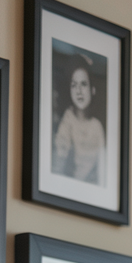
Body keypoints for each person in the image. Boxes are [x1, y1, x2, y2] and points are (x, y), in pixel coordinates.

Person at [52, 58, 106, 186]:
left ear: (92, 90)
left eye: (83, 84)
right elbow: (59, 162)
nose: (79, 91)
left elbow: (103, 171)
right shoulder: (67, 120)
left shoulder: (97, 126)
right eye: (74, 85)